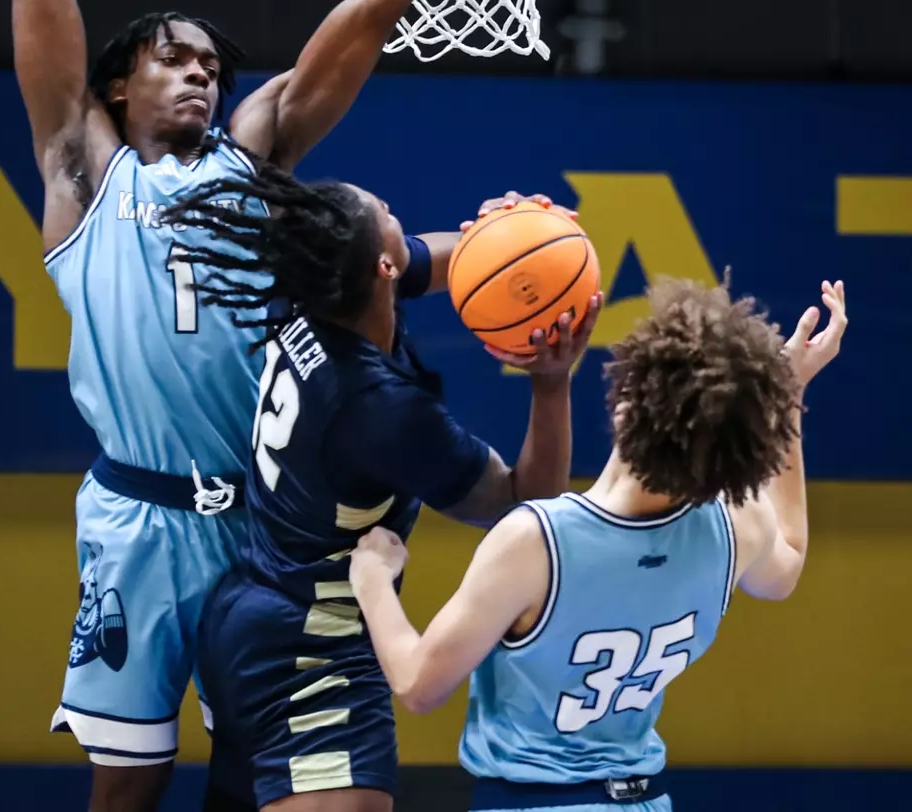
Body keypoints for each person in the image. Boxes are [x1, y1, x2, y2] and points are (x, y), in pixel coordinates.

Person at [12, 0, 575, 812]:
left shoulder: (258, 164)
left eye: (212, 66)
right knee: (124, 785)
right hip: (138, 516)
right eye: (173, 58)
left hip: (263, 537)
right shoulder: (83, 172)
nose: (200, 73)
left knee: (255, 783)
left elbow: (372, 4)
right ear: (120, 80)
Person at [156, 162, 603, 812]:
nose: (402, 221)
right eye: (391, 214)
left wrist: (515, 232)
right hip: (312, 651)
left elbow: (447, 260)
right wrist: (551, 383)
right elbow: (522, 505)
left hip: (249, 618)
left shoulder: (307, 290)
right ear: (383, 270)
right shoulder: (380, 409)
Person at [347, 278, 848, 812]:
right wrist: (789, 399)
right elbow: (788, 562)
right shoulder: (734, 528)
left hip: (531, 802)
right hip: (646, 801)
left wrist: (373, 579)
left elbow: (421, 685)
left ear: (624, 406)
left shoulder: (536, 540)